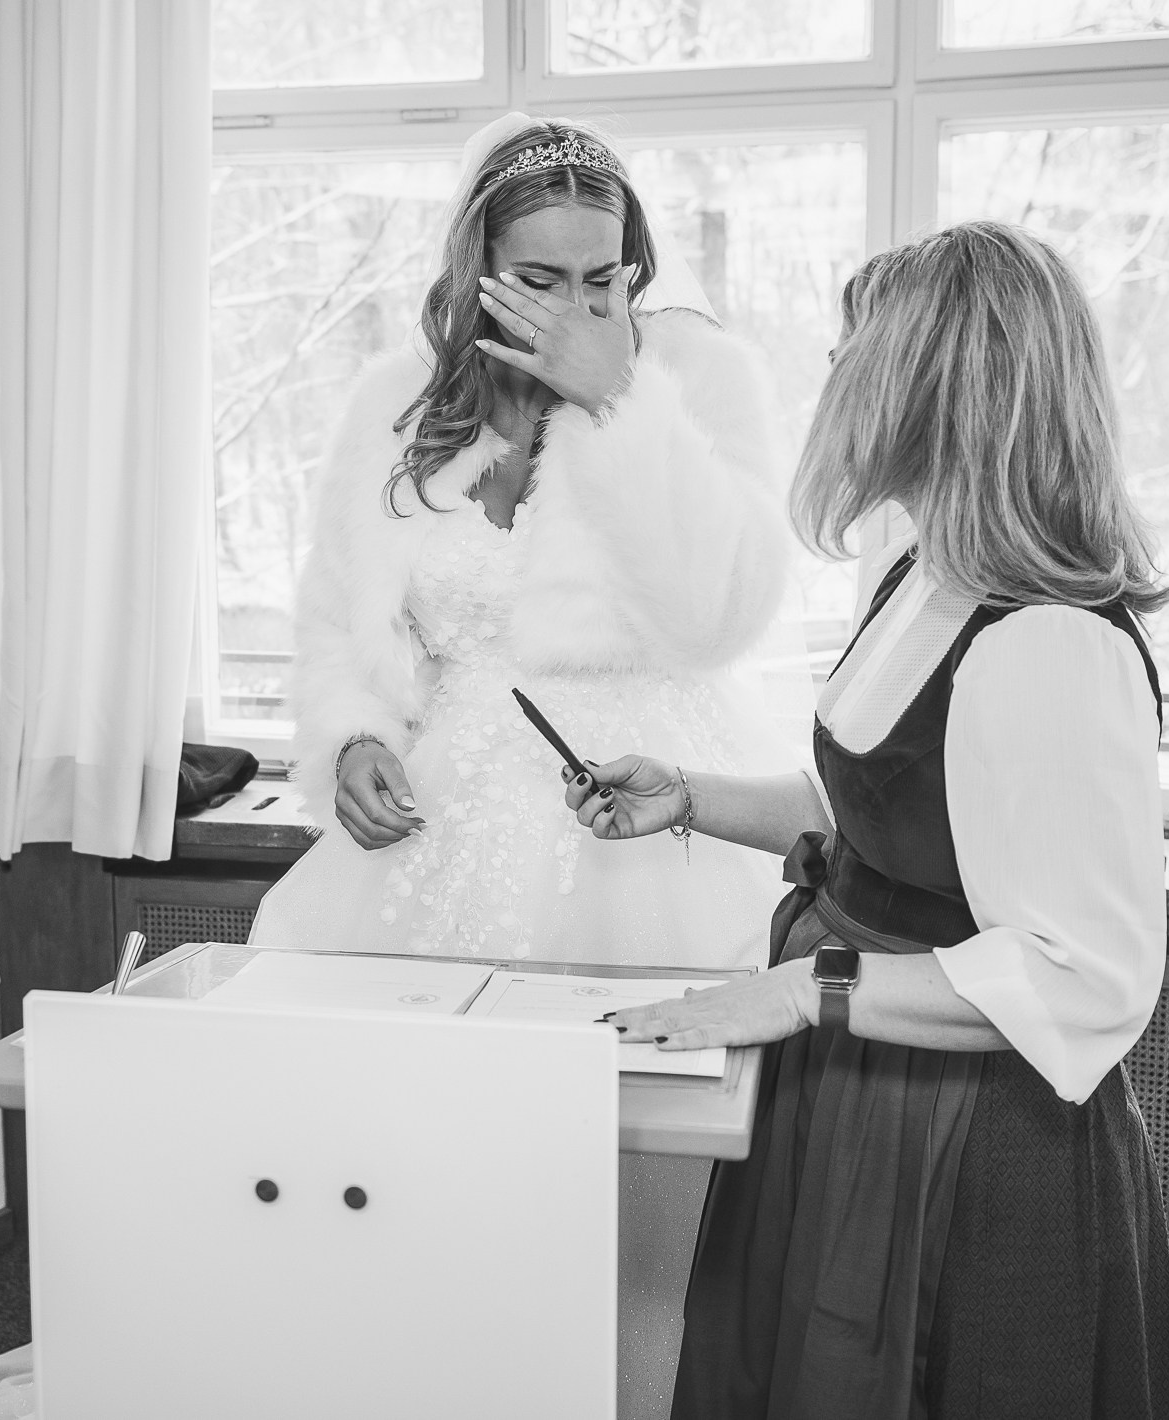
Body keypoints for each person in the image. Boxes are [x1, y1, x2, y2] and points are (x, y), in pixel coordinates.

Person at [566, 221, 1169, 1420]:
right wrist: (692, 796)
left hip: (962, 1141)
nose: (832, 377)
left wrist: (809, 988)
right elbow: (888, 819)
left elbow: (1085, 973)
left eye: (853, 351)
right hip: (858, 1086)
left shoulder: (1048, 642)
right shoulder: (925, 574)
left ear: (930, 381)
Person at [249, 113, 797, 1419]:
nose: (574, 304)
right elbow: (341, 623)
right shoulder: (399, 395)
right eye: (539, 279)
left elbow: (719, 615)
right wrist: (355, 738)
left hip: (651, 813)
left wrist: (620, 402)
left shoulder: (697, 379)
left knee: (640, 1233)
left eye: (603, 279)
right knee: (423, 1199)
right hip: (441, 827)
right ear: (474, 267)